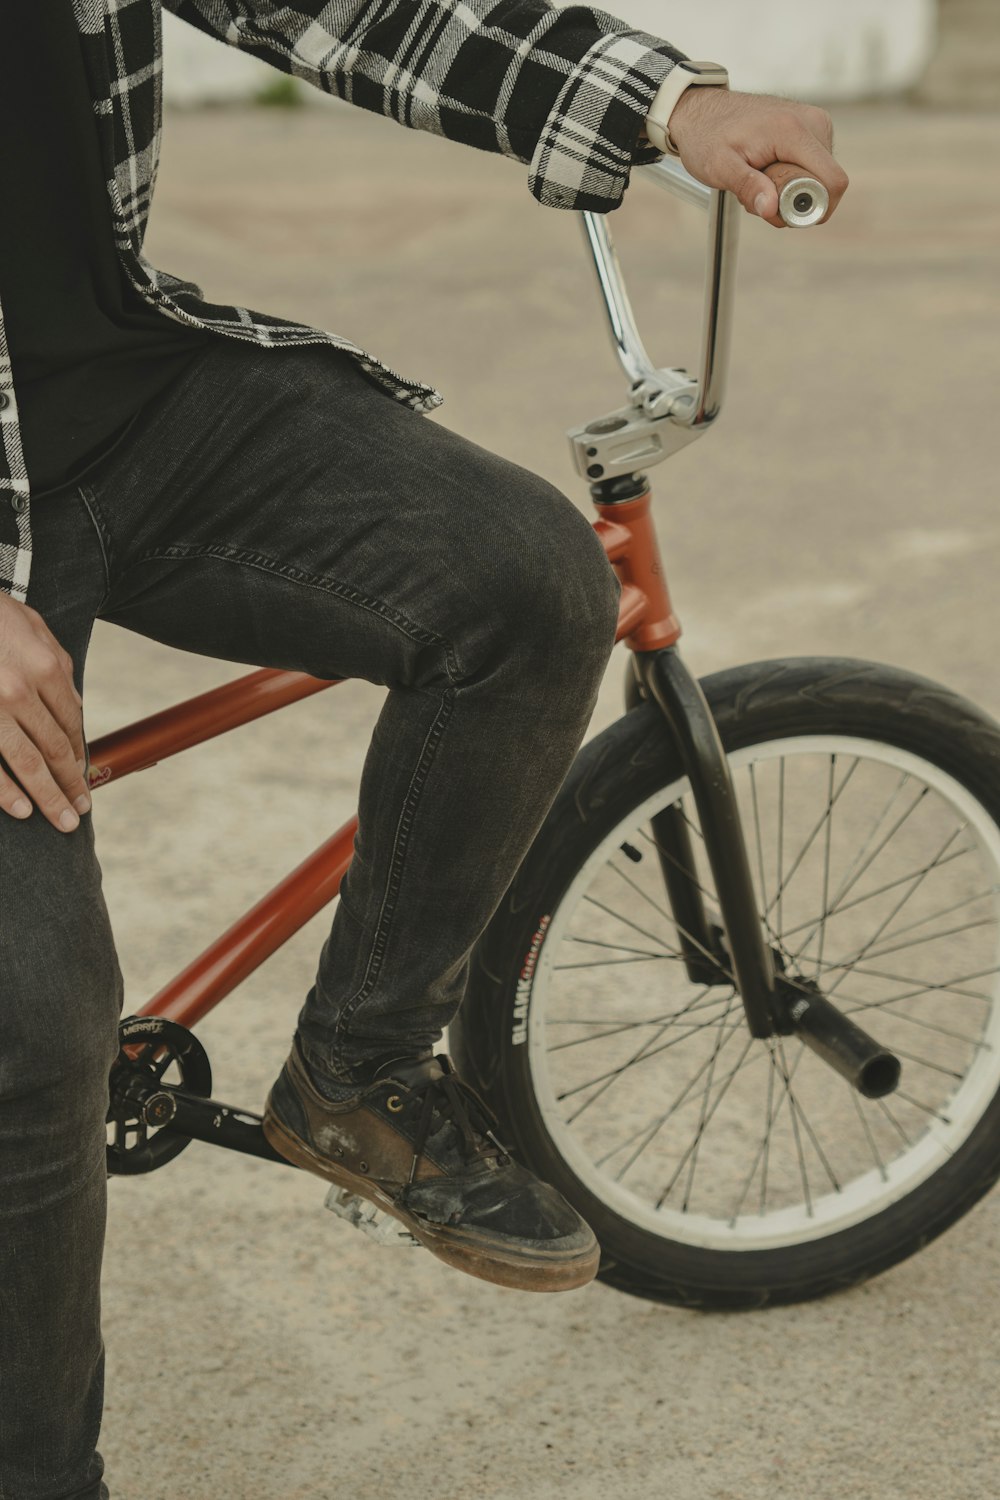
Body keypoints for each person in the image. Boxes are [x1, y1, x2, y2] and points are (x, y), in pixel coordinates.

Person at [0, 2, 848, 1494]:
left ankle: (360, 1070)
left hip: (107, 396)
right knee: (29, 1035)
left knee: (526, 582)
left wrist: (668, 106)